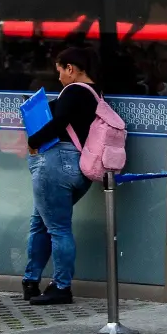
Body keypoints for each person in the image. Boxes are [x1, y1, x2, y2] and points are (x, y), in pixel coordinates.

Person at [22, 47, 101, 306]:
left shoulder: (74, 90)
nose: (59, 78)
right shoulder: (94, 93)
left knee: (55, 228)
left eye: (60, 71)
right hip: (80, 168)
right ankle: (31, 281)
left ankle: (61, 286)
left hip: (57, 163)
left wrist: (34, 140)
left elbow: (59, 121)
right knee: (44, 222)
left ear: (71, 68)